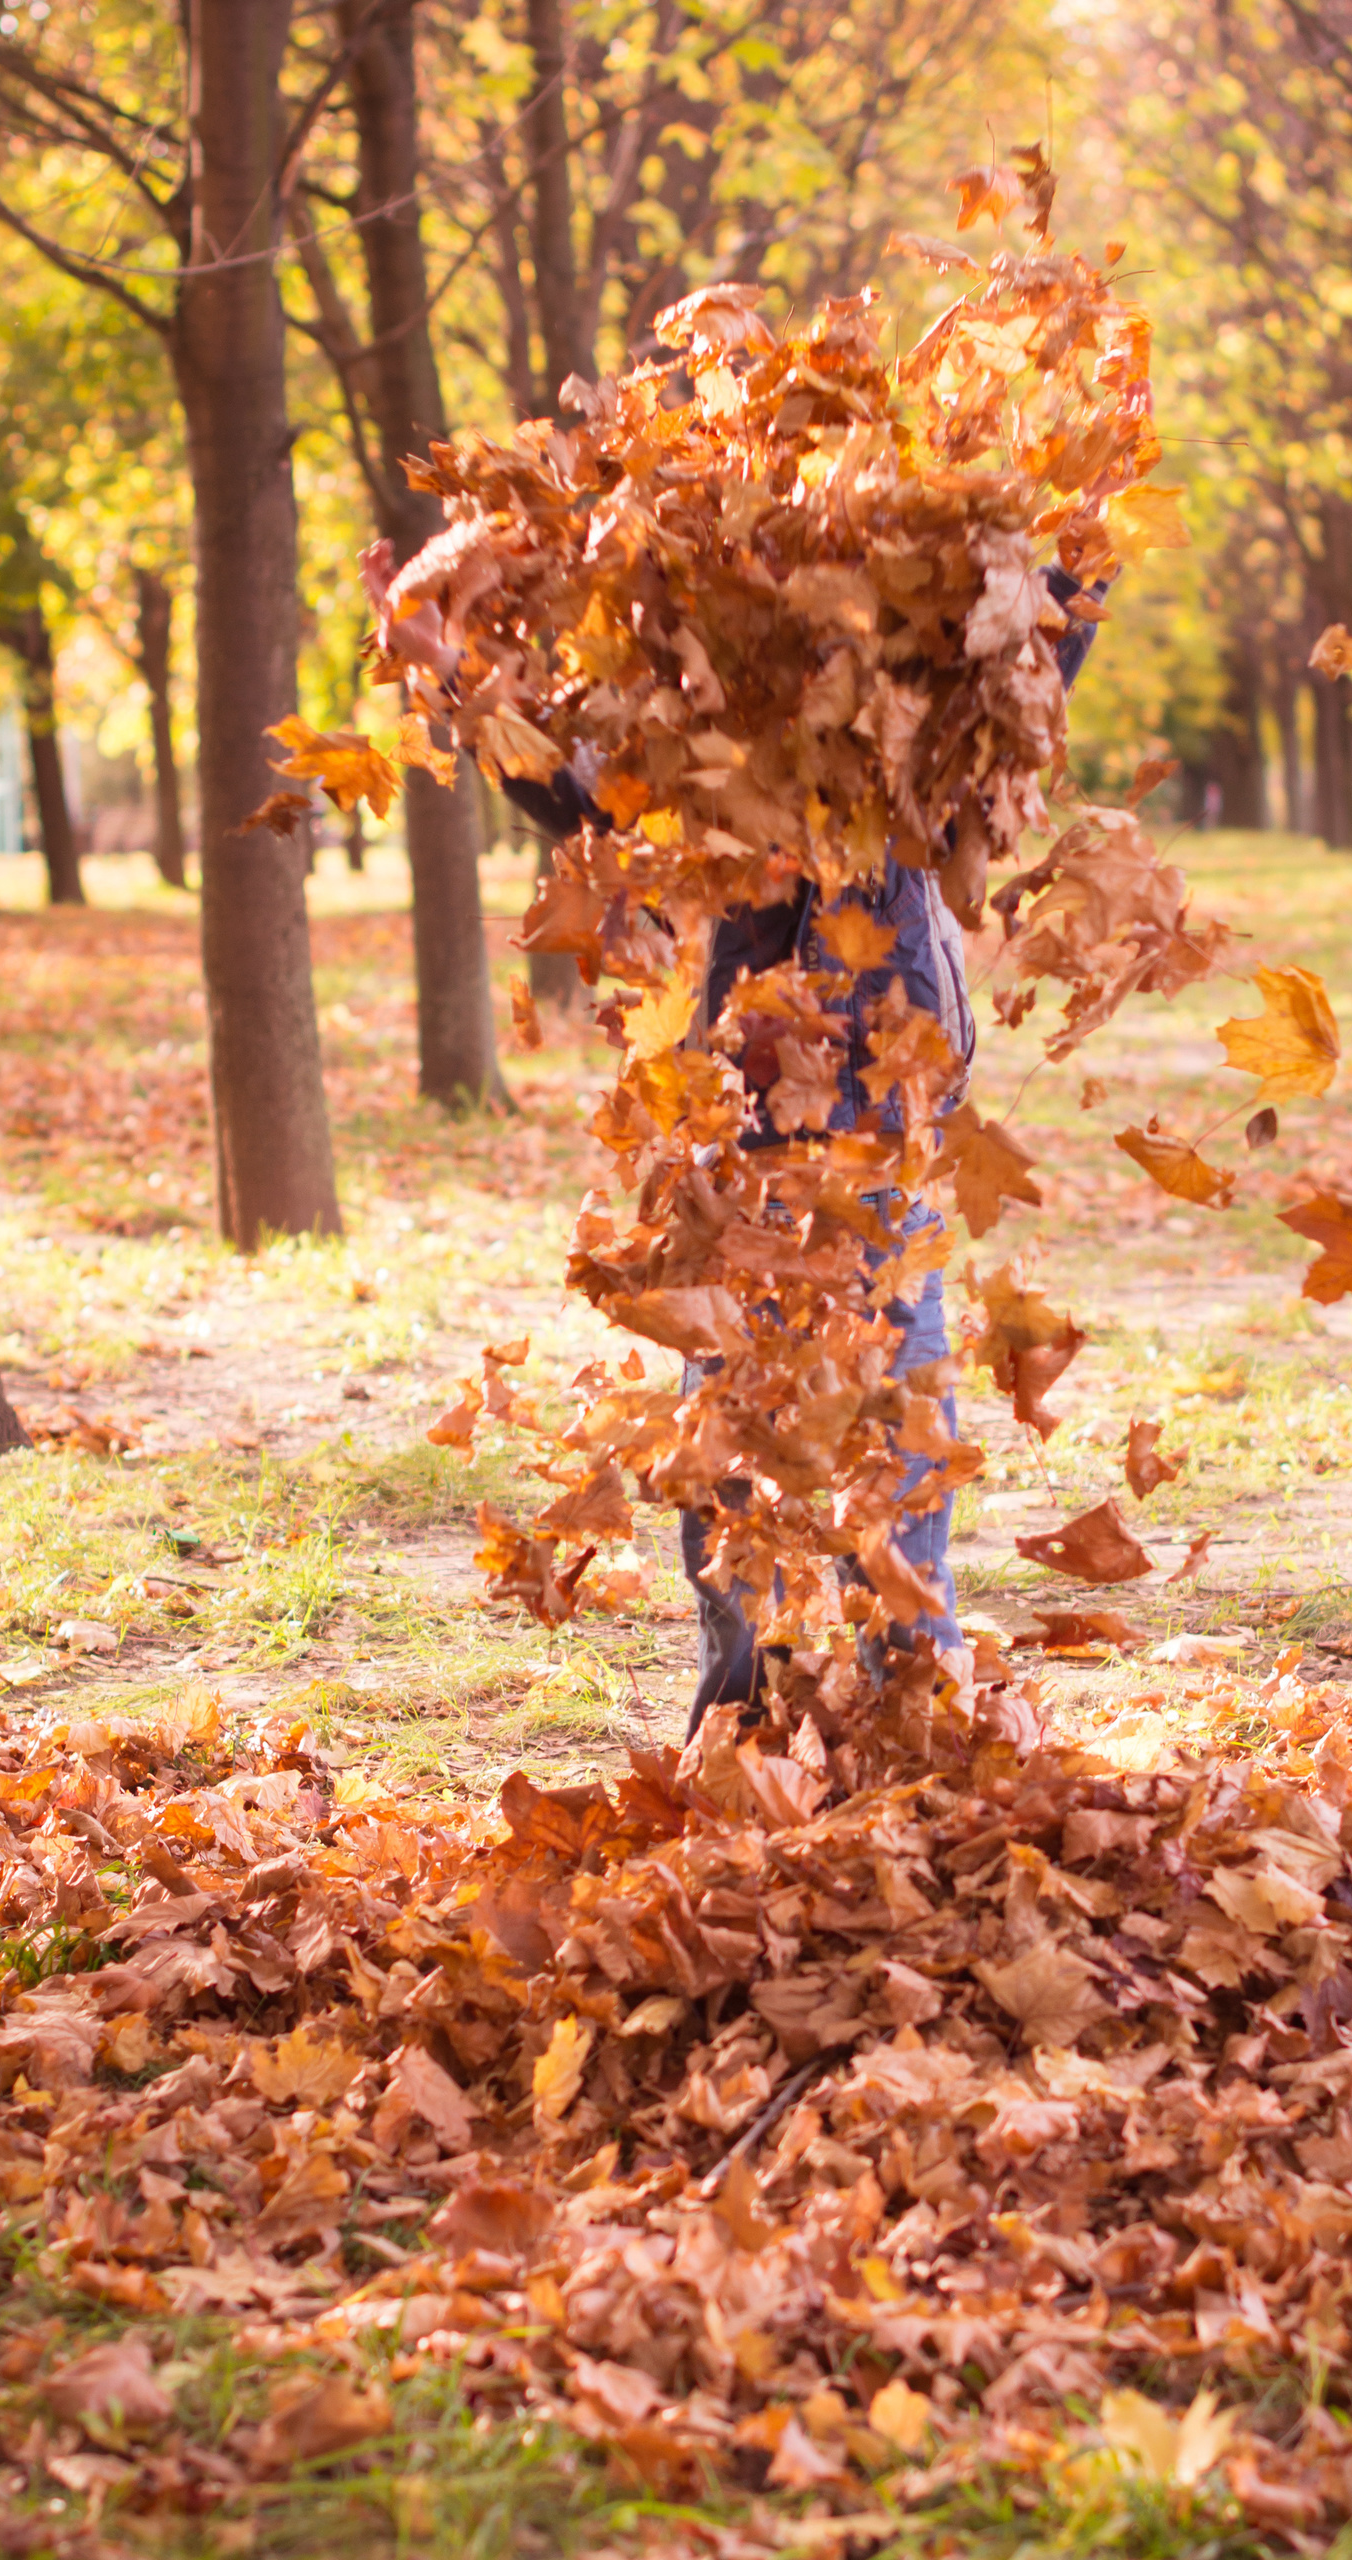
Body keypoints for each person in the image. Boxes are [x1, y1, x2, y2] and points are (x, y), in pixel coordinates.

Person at [503, 566, 1105, 1737]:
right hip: (742, 1121)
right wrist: (473, 690)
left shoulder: (914, 716)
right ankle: (748, 1721)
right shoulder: (696, 717)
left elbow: (1024, 679)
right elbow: (589, 806)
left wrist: (1067, 574)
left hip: (885, 1107)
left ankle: (907, 1714)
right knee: (732, 1441)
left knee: (895, 1428)